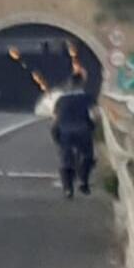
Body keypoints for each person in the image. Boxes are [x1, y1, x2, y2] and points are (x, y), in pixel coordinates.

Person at [51, 71, 95, 199]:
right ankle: (83, 181)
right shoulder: (87, 98)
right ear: (82, 83)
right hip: (83, 131)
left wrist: (55, 133)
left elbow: (55, 118)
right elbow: (94, 115)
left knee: (65, 158)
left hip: (65, 132)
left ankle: (67, 188)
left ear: (70, 84)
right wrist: (93, 127)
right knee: (88, 156)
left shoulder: (61, 100)